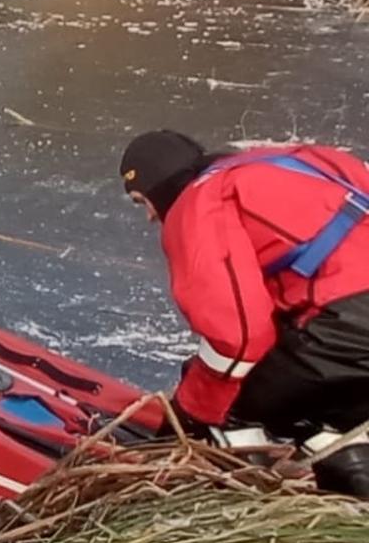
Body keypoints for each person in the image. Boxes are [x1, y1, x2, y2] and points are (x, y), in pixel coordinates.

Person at [119, 130, 369, 497]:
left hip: (347, 324)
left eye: (144, 201)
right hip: (346, 320)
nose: (150, 217)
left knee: (231, 404)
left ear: (161, 187)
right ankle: (351, 513)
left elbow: (236, 339)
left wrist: (191, 412)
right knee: (330, 412)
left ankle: (241, 507)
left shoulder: (199, 203)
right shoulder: (292, 160)